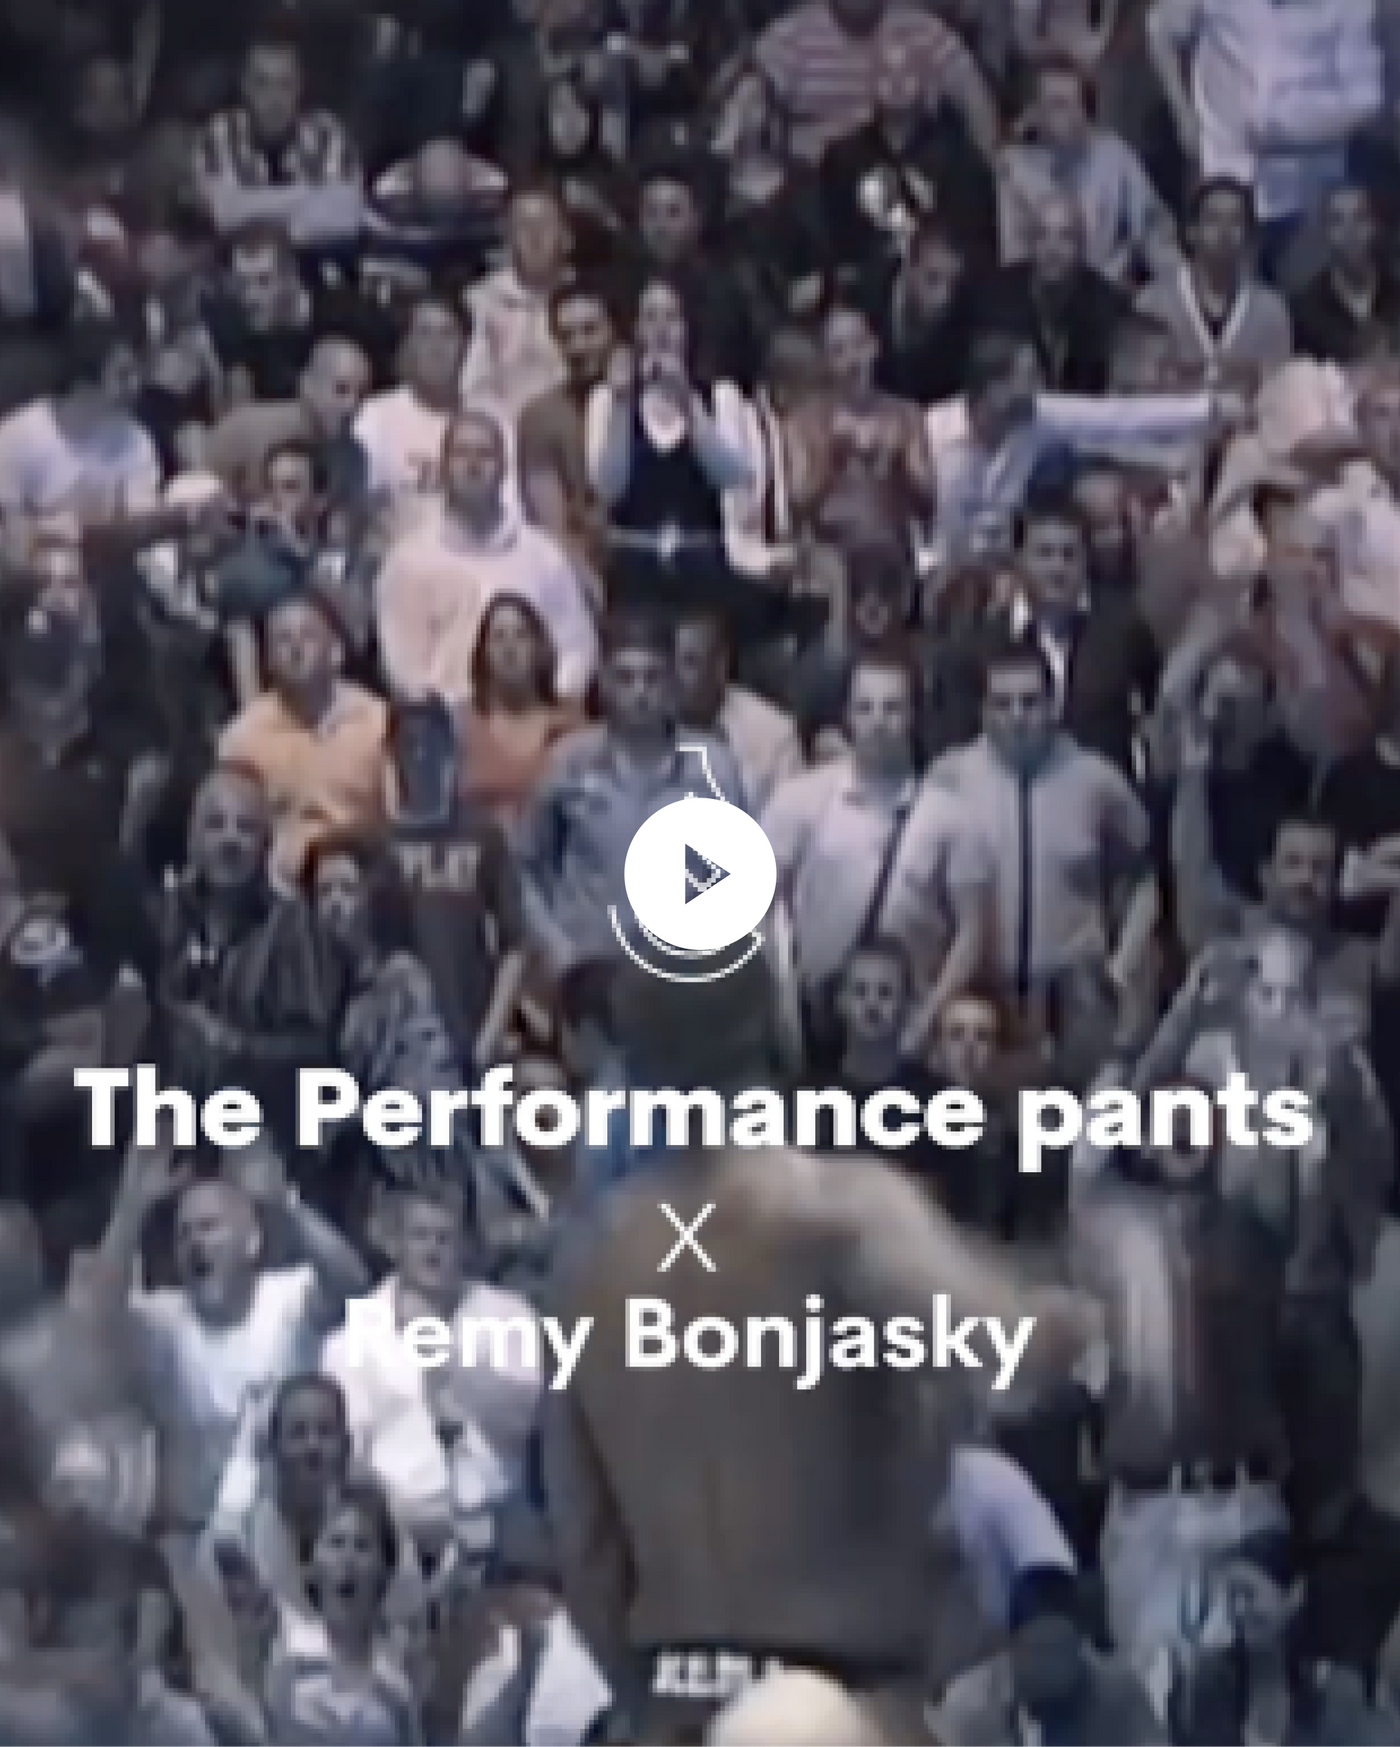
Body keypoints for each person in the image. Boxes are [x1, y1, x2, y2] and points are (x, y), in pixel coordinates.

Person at [542, 1138, 1098, 1741]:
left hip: (673, 1700)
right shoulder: (841, 1216)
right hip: (840, 1701)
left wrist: (646, 1699)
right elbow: (1016, 1352)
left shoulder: (589, 1263)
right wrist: (1096, 1311)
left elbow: (585, 1545)